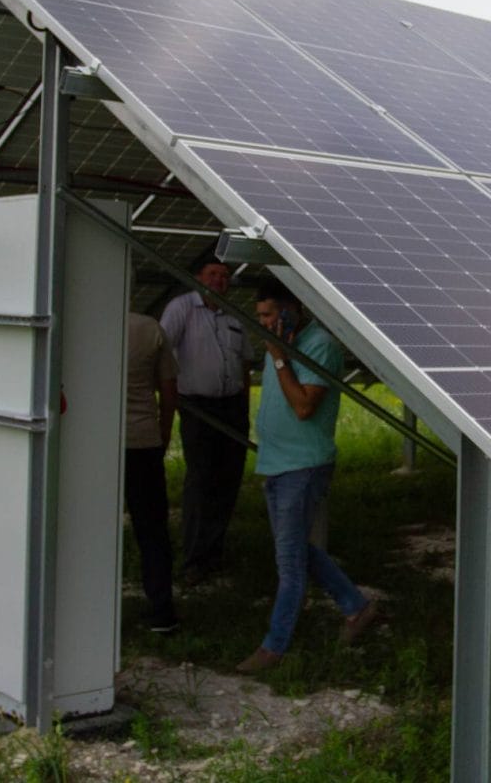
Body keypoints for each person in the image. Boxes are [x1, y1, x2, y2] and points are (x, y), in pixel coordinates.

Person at [235, 277, 377, 674]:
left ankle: (273, 648)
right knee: (296, 548)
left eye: (268, 314)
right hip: (277, 462)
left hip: (303, 465)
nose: (262, 322)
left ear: (291, 307)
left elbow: (302, 407)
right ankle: (357, 607)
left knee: (290, 563)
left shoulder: (320, 346)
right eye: (259, 315)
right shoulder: (275, 337)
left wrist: (279, 356)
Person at [160, 255, 256, 585]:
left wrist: (244, 408)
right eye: (213, 274)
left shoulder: (235, 317)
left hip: (232, 408)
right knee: (200, 482)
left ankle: (214, 553)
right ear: (198, 277)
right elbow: (161, 351)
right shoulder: (182, 308)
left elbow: (245, 364)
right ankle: (193, 559)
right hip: (197, 407)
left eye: (225, 276)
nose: (219, 280)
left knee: (227, 482)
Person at [124, 311, 181, 633]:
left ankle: (90, 607)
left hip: (94, 444)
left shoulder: (86, 320)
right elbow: (169, 389)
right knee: (152, 528)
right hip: (143, 439)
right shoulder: (150, 329)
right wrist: (163, 431)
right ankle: (161, 609)